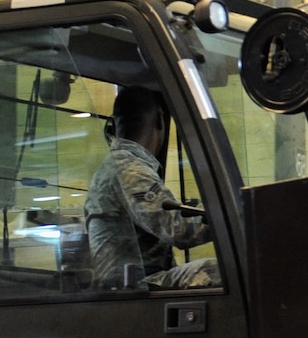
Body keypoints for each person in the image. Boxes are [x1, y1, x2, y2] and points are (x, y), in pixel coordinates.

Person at [84, 86, 218, 290]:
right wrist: (229, 215)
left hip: (133, 284)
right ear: (160, 121)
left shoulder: (117, 166)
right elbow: (177, 229)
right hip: (134, 288)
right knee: (215, 272)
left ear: (112, 126)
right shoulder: (129, 170)